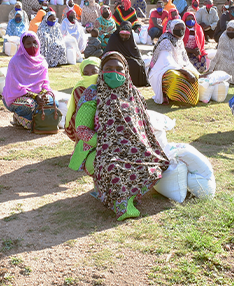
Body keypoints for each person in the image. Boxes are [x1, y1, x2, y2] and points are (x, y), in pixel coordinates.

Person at [69, 51, 170, 220]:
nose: (114, 72)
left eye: (118, 69)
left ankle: (128, 196)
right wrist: (107, 143)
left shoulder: (133, 94)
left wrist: (136, 146)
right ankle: (121, 203)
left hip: (133, 148)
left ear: (126, 72)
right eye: (108, 68)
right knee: (112, 167)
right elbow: (82, 130)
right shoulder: (92, 93)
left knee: (152, 166)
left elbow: (142, 128)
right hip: (101, 148)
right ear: (101, 71)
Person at [2, 31, 55, 129]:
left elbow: (45, 83)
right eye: (28, 43)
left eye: (34, 42)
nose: (32, 46)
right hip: (16, 96)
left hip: (38, 96)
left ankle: (33, 119)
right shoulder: (15, 62)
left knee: (52, 101)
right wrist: (35, 96)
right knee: (30, 105)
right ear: (22, 46)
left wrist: (44, 94)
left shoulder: (42, 62)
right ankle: (18, 117)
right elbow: (15, 87)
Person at [148, 20, 199, 106]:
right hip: (161, 71)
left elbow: (185, 60)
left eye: (182, 28)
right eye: (177, 28)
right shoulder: (166, 41)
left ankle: (184, 99)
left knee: (194, 75)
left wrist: (196, 73)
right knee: (174, 76)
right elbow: (168, 63)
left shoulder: (179, 40)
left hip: (176, 67)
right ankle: (167, 95)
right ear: (171, 28)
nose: (180, 30)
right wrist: (186, 72)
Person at [64, 58, 100, 142]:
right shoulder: (79, 88)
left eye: (94, 72)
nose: (90, 75)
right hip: (84, 120)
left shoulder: (106, 85)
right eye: (86, 73)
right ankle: (81, 144)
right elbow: (83, 111)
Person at [105, 21, 148, 87]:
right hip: (116, 59)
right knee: (132, 64)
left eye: (126, 35)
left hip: (128, 58)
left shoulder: (131, 39)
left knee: (139, 64)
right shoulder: (114, 38)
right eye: (122, 34)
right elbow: (109, 53)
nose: (124, 37)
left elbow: (136, 54)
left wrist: (140, 61)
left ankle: (137, 83)